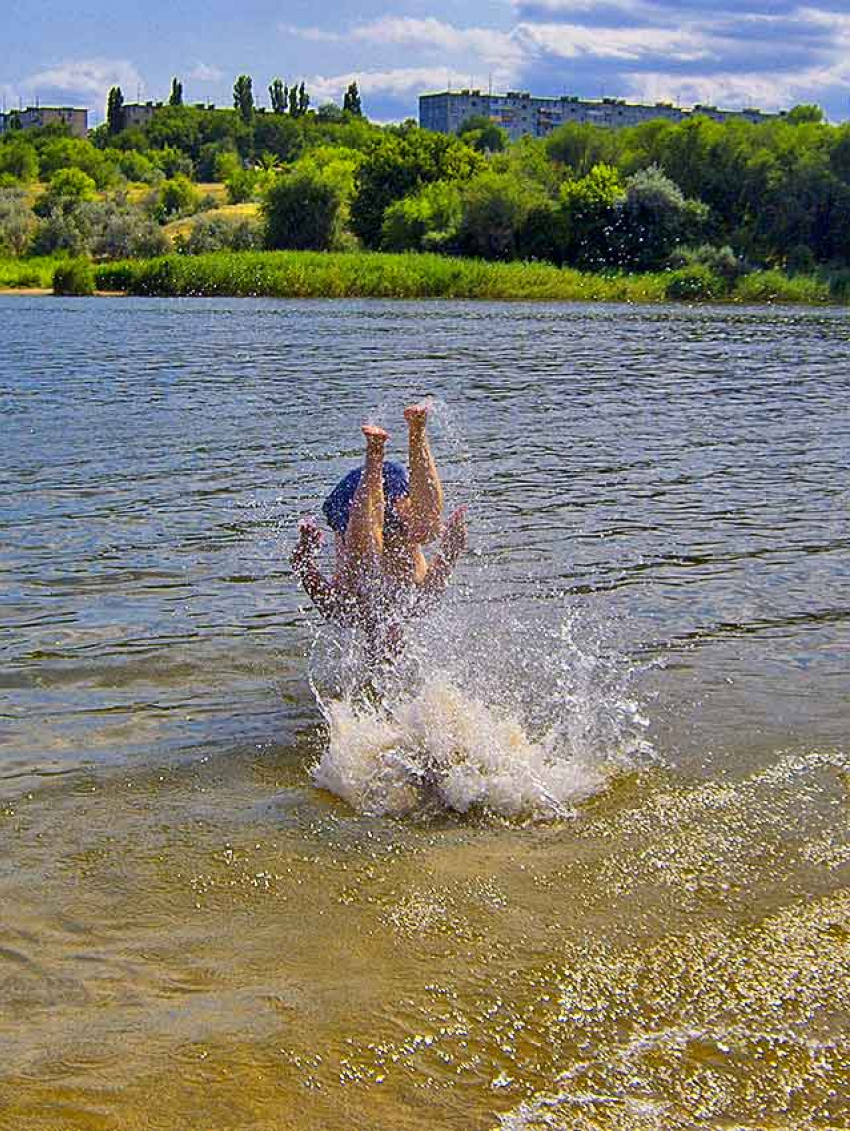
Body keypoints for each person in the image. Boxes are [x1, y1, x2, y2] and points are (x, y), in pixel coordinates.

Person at [291, 403, 467, 658]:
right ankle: (417, 429)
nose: (392, 642)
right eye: (397, 647)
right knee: (426, 529)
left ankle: (374, 453)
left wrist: (306, 546)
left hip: (350, 503)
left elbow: (300, 566)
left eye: (386, 647)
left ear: (369, 648)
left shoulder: (344, 612)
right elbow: (448, 556)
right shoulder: (419, 604)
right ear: (403, 643)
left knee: (364, 561)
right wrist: (453, 539)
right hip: (384, 520)